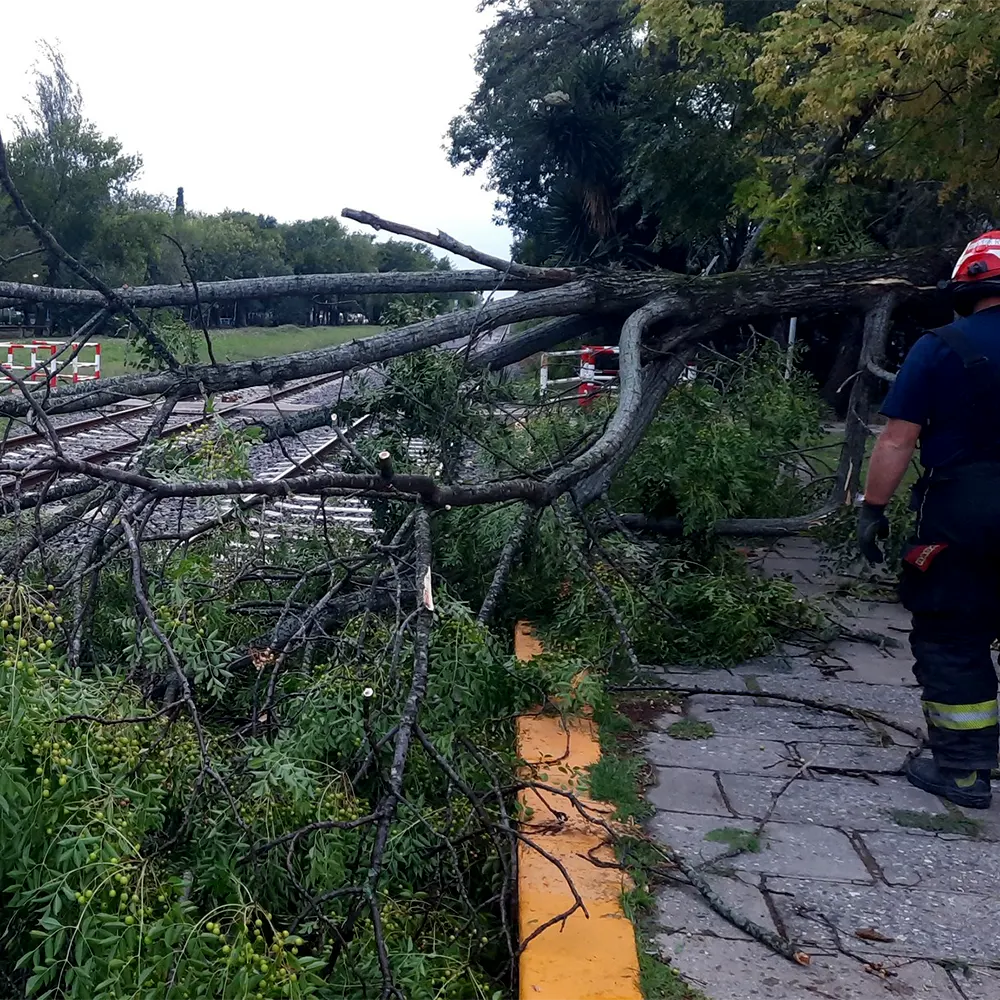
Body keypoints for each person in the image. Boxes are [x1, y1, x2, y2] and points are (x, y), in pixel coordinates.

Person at [858, 231, 1000, 809]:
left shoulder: (942, 346)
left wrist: (872, 509)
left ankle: (963, 772)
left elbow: (897, 439)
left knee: (953, 634)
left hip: (966, 510)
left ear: (966, 286)